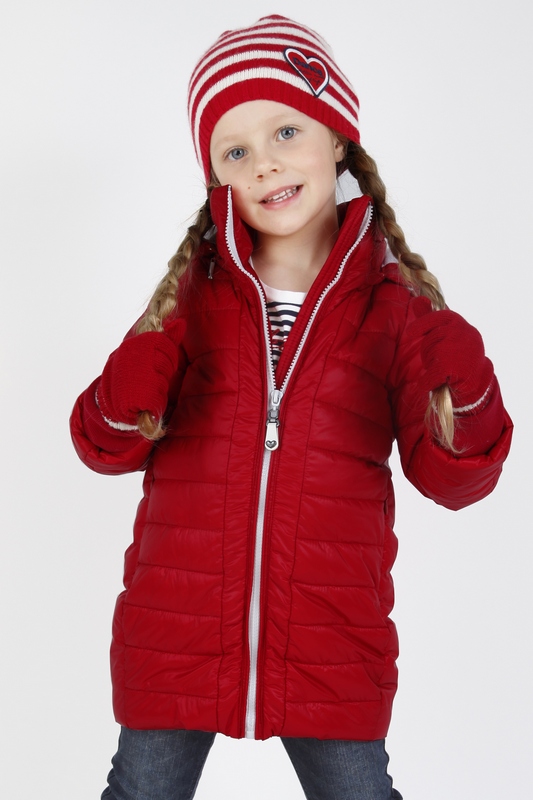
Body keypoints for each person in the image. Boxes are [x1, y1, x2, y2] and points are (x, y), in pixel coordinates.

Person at [70, 14, 513, 800]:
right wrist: (126, 385)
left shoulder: (393, 307)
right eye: (235, 151)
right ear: (215, 177)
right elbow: (103, 444)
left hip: (329, 640)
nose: (265, 162)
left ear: (337, 137)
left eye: (285, 131)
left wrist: (469, 392)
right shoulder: (193, 295)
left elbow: (452, 480)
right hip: (174, 629)